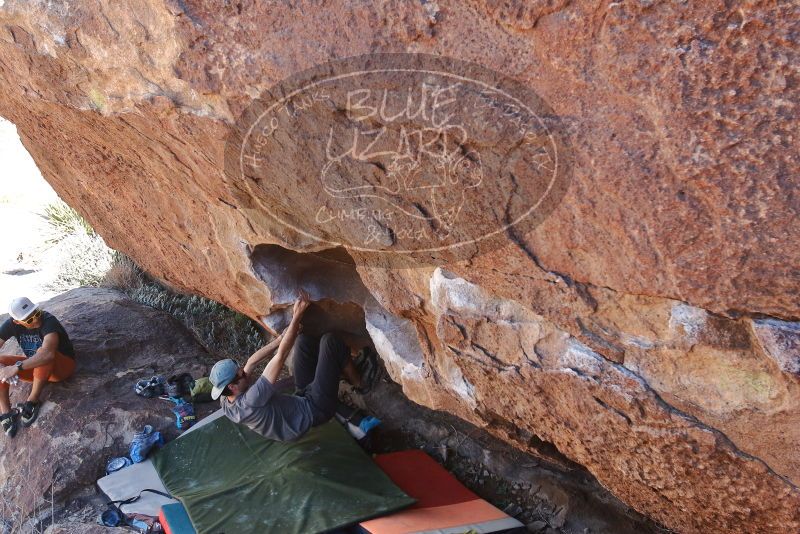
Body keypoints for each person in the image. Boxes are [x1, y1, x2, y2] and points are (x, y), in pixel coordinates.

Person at [209, 290, 370, 441]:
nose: (245, 372)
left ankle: (335, 370)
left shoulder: (226, 400)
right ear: (232, 387)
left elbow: (251, 363)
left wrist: (279, 340)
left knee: (303, 341)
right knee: (330, 342)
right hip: (316, 410)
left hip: (300, 400)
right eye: (241, 374)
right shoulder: (251, 402)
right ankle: (359, 384)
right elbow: (280, 358)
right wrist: (297, 315)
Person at [0, 297, 76, 437]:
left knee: (42, 353)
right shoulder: (11, 324)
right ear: (17, 322)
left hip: (62, 367)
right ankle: (6, 412)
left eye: (36, 313)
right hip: (38, 370)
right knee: (1, 361)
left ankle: (33, 401)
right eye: (29, 320)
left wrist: (16, 367)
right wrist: (2, 369)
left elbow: (47, 355)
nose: (36, 320)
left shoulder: (48, 321)